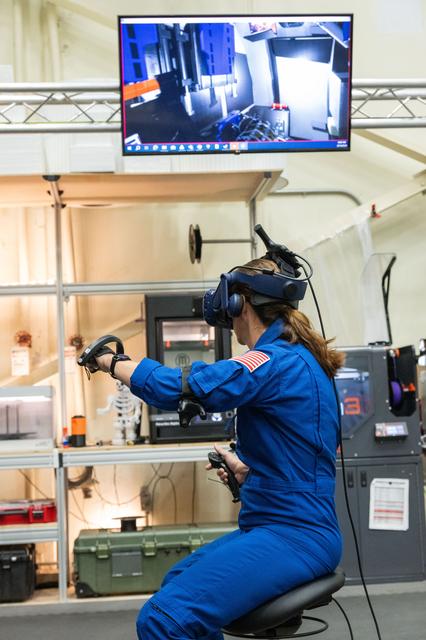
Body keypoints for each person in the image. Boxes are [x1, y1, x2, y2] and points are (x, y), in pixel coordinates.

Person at [90, 256, 344, 640]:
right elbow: (301, 458)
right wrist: (246, 473)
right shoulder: (298, 359)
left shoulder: (272, 361)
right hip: (283, 525)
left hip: (294, 534)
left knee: (162, 619)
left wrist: (110, 361)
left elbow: (177, 387)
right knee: (177, 580)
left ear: (240, 305)